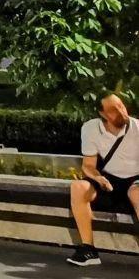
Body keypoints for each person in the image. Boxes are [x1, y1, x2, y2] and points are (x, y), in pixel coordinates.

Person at [67, 93, 139, 266]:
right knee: (78, 187)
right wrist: (98, 178)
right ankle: (88, 250)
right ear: (103, 114)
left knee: (137, 193)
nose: (121, 112)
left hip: (135, 179)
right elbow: (88, 165)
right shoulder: (90, 128)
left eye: (121, 106)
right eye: (113, 110)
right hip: (108, 180)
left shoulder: (137, 128)